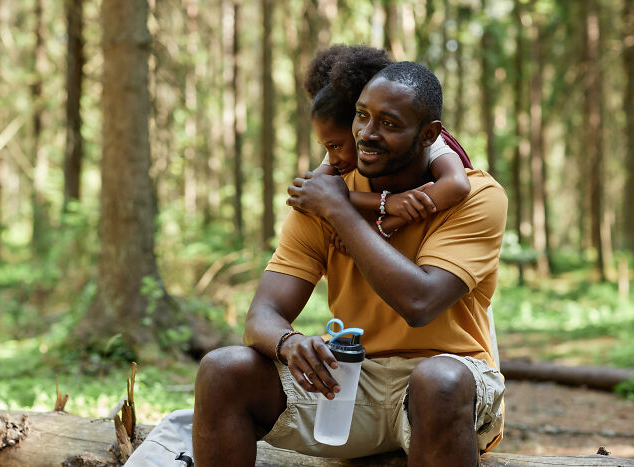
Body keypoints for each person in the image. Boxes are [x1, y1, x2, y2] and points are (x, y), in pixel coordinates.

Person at [193, 60, 507, 467]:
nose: (367, 134)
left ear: (428, 134)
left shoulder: (476, 197)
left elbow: (420, 302)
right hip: (350, 382)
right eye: (362, 116)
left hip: (451, 387)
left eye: (389, 124)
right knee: (222, 370)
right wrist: (289, 344)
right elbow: (263, 316)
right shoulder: (321, 196)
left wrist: (340, 212)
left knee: (438, 382)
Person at [305, 45, 472, 245]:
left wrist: (383, 226)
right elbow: (308, 191)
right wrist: (387, 203)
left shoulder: (428, 141)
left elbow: (456, 184)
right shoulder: (348, 138)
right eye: (362, 116)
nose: (365, 133)